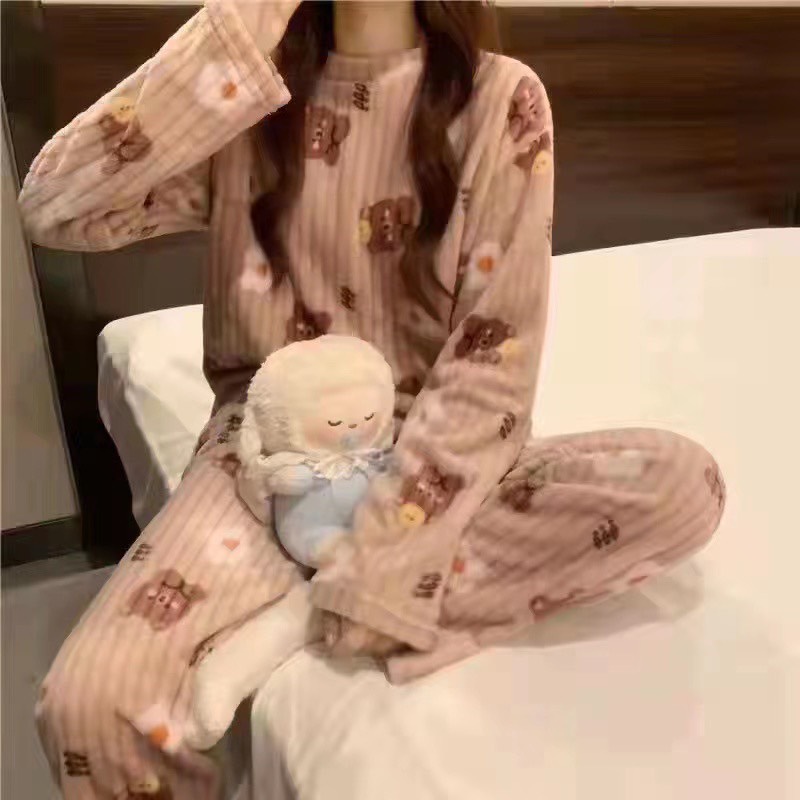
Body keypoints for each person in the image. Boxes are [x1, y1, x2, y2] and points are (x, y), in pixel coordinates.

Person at [19, 1, 725, 797]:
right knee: (89, 705)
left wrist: (383, 557)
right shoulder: (242, 94)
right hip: (270, 454)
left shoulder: (500, 100)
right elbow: (54, 207)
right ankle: (338, 581)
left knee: (681, 485)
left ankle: (312, 606)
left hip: (428, 449)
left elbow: (491, 363)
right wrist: (232, 36)